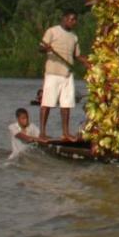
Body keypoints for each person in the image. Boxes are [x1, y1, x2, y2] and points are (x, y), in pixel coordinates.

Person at [38, 11, 91, 141]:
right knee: (47, 103)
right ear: (64, 19)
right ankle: (42, 132)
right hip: (53, 73)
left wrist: (88, 63)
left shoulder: (74, 36)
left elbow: (77, 55)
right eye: (71, 19)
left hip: (67, 74)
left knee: (66, 105)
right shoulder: (52, 31)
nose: (74, 22)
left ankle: (65, 133)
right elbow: (40, 48)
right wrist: (47, 49)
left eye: (75, 20)